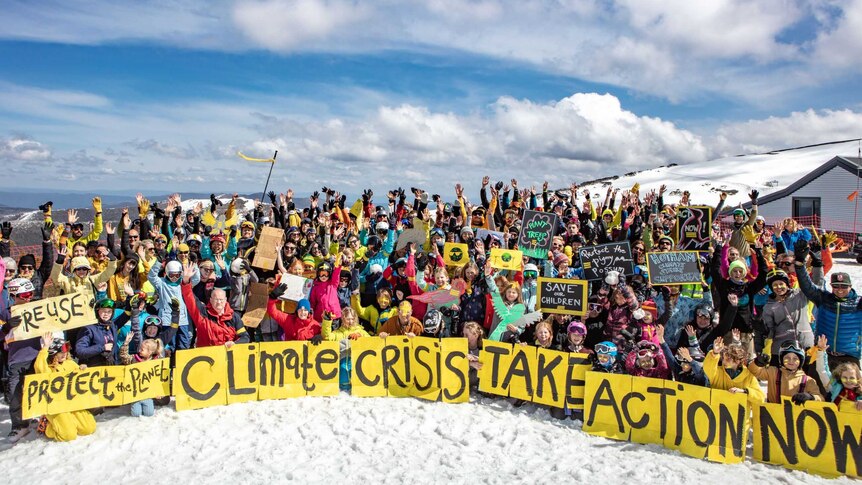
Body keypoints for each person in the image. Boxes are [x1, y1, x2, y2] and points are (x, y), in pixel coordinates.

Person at [795, 239, 862, 370]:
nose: (840, 289)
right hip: (822, 353)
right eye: (836, 286)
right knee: (818, 389)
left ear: (850, 286)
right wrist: (799, 264)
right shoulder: (824, 298)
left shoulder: (859, 303)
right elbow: (807, 286)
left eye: (844, 286)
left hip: (849, 357)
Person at [34, 333, 97, 442]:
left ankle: (69, 422)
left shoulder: (70, 363)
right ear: (53, 353)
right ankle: (47, 427)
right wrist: (45, 347)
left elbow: (80, 378)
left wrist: (83, 369)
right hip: (55, 406)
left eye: (65, 351)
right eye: (60, 352)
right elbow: (40, 368)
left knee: (88, 428)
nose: (64, 354)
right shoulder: (48, 368)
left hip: (72, 402)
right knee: (68, 435)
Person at [180, 264, 250, 347]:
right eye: (216, 299)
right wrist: (186, 281)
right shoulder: (202, 313)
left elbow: (245, 337)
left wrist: (234, 343)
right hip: (205, 356)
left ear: (225, 300)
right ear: (210, 300)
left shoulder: (234, 317)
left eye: (221, 300)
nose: (219, 302)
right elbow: (190, 299)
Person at [748, 340, 823, 404]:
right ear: (781, 359)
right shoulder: (773, 372)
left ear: (801, 361)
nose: (791, 361)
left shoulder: (807, 381)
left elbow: (820, 399)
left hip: (796, 417)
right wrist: (757, 363)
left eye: (795, 358)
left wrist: (811, 397)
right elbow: (756, 372)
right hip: (773, 414)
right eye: (787, 358)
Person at [703, 336, 764, 403]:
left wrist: (744, 391)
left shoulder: (749, 377)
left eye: (728, 359)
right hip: (716, 411)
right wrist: (714, 353)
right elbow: (707, 367)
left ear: (738, 361)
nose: (724, 362)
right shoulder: (717, 372)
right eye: (723, 358)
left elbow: (760, 398)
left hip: (738, 412)